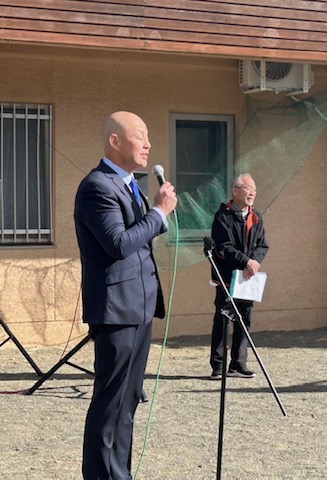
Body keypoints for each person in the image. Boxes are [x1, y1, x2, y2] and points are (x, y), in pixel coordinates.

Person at [74, 111, 178, 479]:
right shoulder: (97, 186)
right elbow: (118, 244)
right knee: (111, 402)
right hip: (117, 310)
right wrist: (159, 213)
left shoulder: (130, 184)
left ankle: (120, 473)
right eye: (139, 136)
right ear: (115, 141)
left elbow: (137, 241)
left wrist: (155, 214)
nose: (148, 144)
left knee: (128, 401)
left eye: (148, 136)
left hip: (139, 306)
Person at [210, 174, 269, 379]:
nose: (253, 192)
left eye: (254, 189)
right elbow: (223, 247)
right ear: (235, 191)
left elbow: (262, 245)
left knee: (244, 320)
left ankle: (238, 365)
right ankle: (218, 366)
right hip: (227, 277)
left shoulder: (257, 216)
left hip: (248, 278)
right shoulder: (222, 216)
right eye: (248, 188)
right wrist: (245, 262)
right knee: (223, 319)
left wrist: (254, 262)